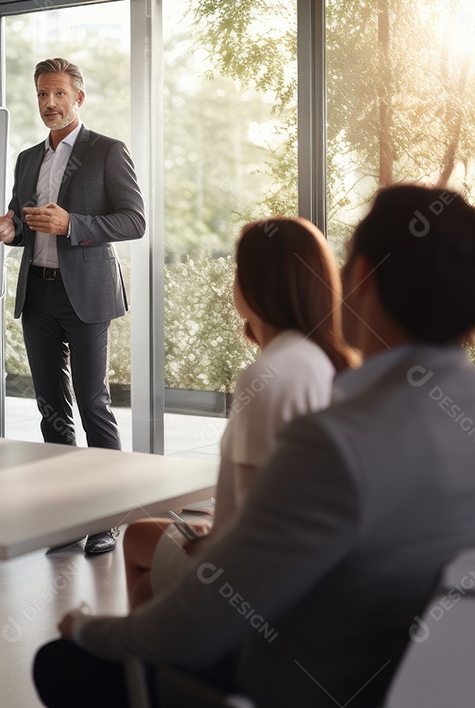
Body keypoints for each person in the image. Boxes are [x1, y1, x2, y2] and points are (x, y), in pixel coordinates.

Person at [33, 183, 475, 708]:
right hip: (423, 684)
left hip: (296, 681)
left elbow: (207, 618)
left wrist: (88, 629)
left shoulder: (337, 440)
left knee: (60, 662)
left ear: (362, 279)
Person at [122, 217, 355, 607]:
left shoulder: (266, 378)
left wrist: (213, 536)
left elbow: (255, 530)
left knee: (137, 542)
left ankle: (159, 656)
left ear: (256, 285)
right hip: (310, 562)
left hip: (254, 578)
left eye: (238, 269)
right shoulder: (329, 364)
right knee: (145, 542)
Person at [0, 57, 145, 555]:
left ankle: (107, 517)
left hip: (87, 296)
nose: (49, 104)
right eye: (42, 95)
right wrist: (9, 230)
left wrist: (74, 223)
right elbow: (25, 223)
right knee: (52, 410)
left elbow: (134, 221)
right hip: (39, 293)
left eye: (58, 95)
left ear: (79, 98)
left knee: (94, 405)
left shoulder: (107, 152)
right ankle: (69, 517)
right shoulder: (28, 158)